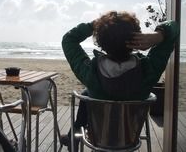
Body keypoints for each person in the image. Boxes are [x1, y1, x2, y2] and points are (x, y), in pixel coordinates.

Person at [61, 11, 179, 151]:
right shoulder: (149, 70)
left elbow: (69, 39)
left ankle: (72, 135)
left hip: (98, 140)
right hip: (130, 140)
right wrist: (159, 35)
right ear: (136, 38)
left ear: (101, 42)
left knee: (87, 92)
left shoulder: (90, 73)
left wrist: (94, 24)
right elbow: (174, 28)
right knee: (88, 91)